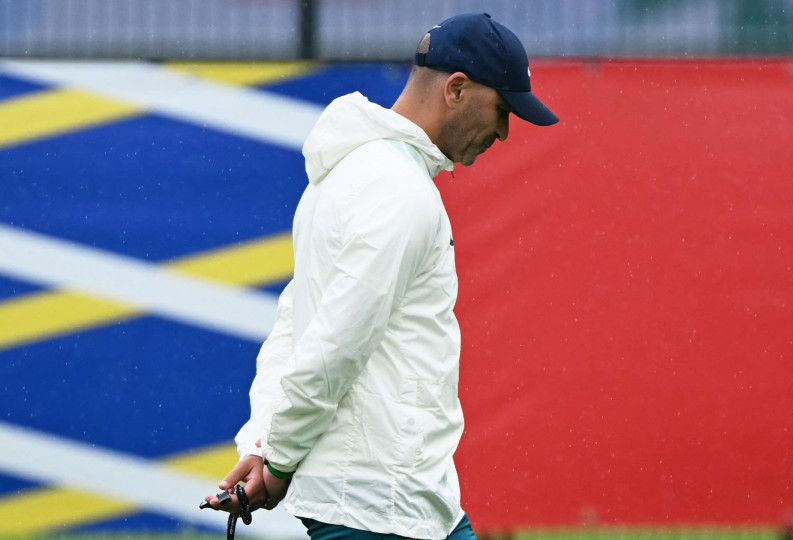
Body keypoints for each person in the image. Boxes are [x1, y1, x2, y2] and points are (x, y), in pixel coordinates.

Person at [204, 12, 558, 540]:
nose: (504, 133)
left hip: (394, 499)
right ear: (457, 89)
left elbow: (294, 325)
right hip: (382, 504)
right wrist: (275, 462)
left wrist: (264, 446)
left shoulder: (345, 175)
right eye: (503, 110)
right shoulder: (399, 190)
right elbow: (335, 341)